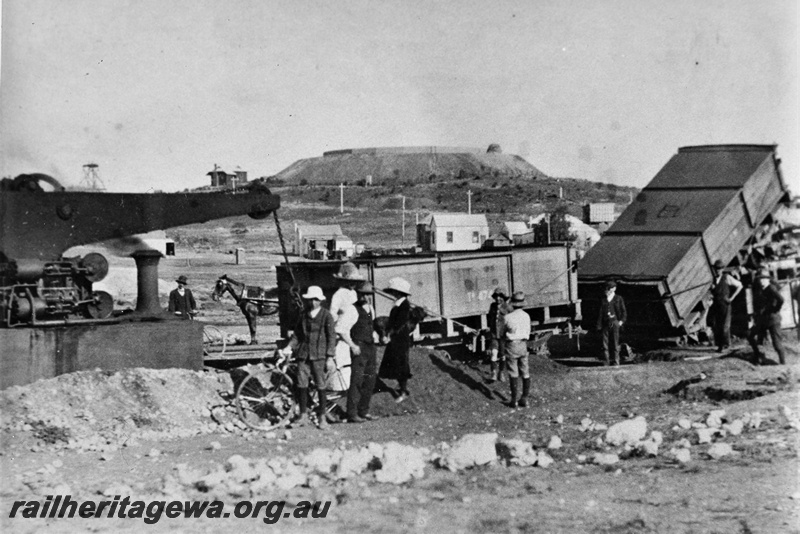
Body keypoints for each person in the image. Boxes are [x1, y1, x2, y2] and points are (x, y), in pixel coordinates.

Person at [279, 286, 337, 429]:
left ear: (320, 301)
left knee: (320, 385)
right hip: (303, 355)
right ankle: (303, 416)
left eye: (316, 300)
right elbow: (297, 335)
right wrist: (289, 347)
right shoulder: (304, 315)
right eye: (310, 300)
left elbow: (331, 337)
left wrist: (330, 357)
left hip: (319, 356)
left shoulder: (326, 315)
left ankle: (322, 417)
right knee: (301, 384)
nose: (312, 302)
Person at [345, 281, 379, 422]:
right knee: (357, 380)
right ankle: (352, 413)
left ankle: (363, 411)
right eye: (363, 294)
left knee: (370, 380)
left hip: (371, 347)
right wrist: (352, 345)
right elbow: (341, 329)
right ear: (358, 294)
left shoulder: (371, 309)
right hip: (359, 348)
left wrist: (376, 335)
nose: (365, 297)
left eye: (368, 295)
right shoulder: (352, 309)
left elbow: (373, 326)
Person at [378, 277, 414, 403]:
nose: (391, 294)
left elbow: (399, 324)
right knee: (396, 363)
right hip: (396, 338)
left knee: (401, 363)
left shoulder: (404, 306)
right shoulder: (399, 304)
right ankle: (401, 387)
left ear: (398, 292)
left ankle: (403, 391)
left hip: (399, 339)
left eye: (393, 292)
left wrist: (389, 335)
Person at [748, 270, 786, 365]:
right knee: (751, 335)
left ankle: (783, 363)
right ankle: (758, 357)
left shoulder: (771, 288)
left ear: (767, 279)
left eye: (763, 279)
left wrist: (775, 309)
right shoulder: (760, 289)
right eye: (759, 279)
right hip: (763, 319)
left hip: (773, 319)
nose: (761, 281)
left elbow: (781, 299)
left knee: (777, 344)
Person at [502, 291, 532, 408]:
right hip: (523, 344)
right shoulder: (526, 316)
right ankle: (524, 398)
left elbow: (502, 332)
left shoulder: (507, 317)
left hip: (511, 345)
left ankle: (514, 400)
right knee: (525, 371)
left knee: (513, 372)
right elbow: (528, 332)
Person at [709, 260, 743, 352]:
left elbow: (740, 286)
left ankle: (726, 345)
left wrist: (732, 298)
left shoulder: (727, 277)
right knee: (718, 326)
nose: (717, 271)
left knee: (725, 326)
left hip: (725, 304)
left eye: (719, 269)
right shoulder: (714, 280)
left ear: (723, 269)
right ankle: (721, 346)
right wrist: (712, 294)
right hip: (716, 305)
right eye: (716, 268)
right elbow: (714, 293)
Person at [596, 280, 626, 366]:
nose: (607, 291)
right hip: (606, 323)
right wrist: (599, 325)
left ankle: (616, 362)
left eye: (609, 289)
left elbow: (624, 312)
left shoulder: (618, 298)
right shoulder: (603, 300)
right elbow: (600, 313)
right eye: (607, 289)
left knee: (615, 343)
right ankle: (606, 361)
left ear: (614, 289)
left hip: (615, 323)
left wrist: (621, 322)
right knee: (605, 343)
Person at [486, 287, 513, 383]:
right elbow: (490, 319)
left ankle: (501, 372)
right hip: (494, 334)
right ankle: (493, 372)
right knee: (493, 353)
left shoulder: (508, 307)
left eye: (500, 297)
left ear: (504, 297)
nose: (498, 299)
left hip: (503, 335)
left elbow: (511, 321)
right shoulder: (492, 306)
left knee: (503, 355)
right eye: (496, 297)